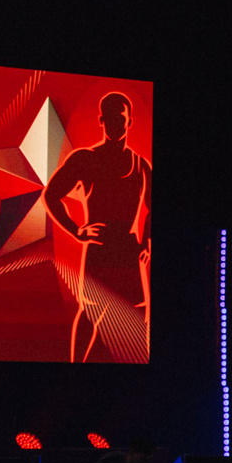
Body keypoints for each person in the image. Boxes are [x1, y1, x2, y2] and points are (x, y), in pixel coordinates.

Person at [42, 91, 153, 364]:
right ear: (102, 120)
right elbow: (51, 195)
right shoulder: (85, 159)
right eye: (111, 118)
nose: (116, 123)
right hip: (100, 250)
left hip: (128, 251)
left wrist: (146, 242)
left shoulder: (140, 166)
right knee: (91, 314)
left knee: (137, 317)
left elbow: (153, 208)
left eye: (121, 118)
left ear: (129, 121)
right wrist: (76, 230)